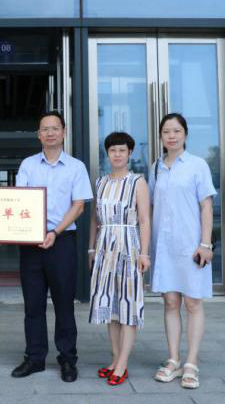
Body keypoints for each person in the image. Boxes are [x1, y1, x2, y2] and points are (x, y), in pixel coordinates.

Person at [11, 111, 93, 383]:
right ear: (38, 135)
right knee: (33, 304)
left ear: (64, 132)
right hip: (30, 242)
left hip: (62, 241)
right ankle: (34, 358)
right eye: (44, 129)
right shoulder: (28, 165)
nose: (50, 133)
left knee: (64, 303)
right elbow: (19, 201)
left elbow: (79, 206)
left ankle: (68, 359)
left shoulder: (76, 167)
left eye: (55, 128)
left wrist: (54, 233)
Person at [149, 113, 217, 390]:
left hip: (191, 246)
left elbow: (206, 206)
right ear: (161, 136)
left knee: (193, 303)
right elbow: (149, 207)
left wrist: (206, 243)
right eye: (166, 131)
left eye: (176, 131)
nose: (172, 136)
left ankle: (191, 362)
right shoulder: (156, 167)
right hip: (164, 246)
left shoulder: (197, 165)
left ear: (185, 134)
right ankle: (173, 359)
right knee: (170, 302)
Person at [87, 131, 151, 386]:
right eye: (113, 150)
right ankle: (114, 359)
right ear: (107, 153)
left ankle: (122, 364)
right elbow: (95, 219)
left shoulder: (138, 182)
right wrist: (91, 249)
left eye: (122, 150)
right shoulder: (100, 182)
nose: (117, 154)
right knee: (110, 306)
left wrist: (144, 253)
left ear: (130, 153)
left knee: (128, 305)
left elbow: (145, 220)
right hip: (104, 248)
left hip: (128, 246)